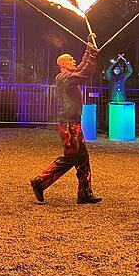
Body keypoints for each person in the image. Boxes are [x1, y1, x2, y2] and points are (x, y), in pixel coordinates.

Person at [31, 34, 101, 205]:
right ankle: (40, 181)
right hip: (69, 125)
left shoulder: (68, 75)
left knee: (82, 157)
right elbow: (84, 73)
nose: (74, 61)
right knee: (71, 158)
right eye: (70, 60)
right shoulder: (64, 78)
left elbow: (82, 68)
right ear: (63, 65)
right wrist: (92, 56)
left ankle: (84, 193)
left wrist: (89, 48)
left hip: (73, 122)